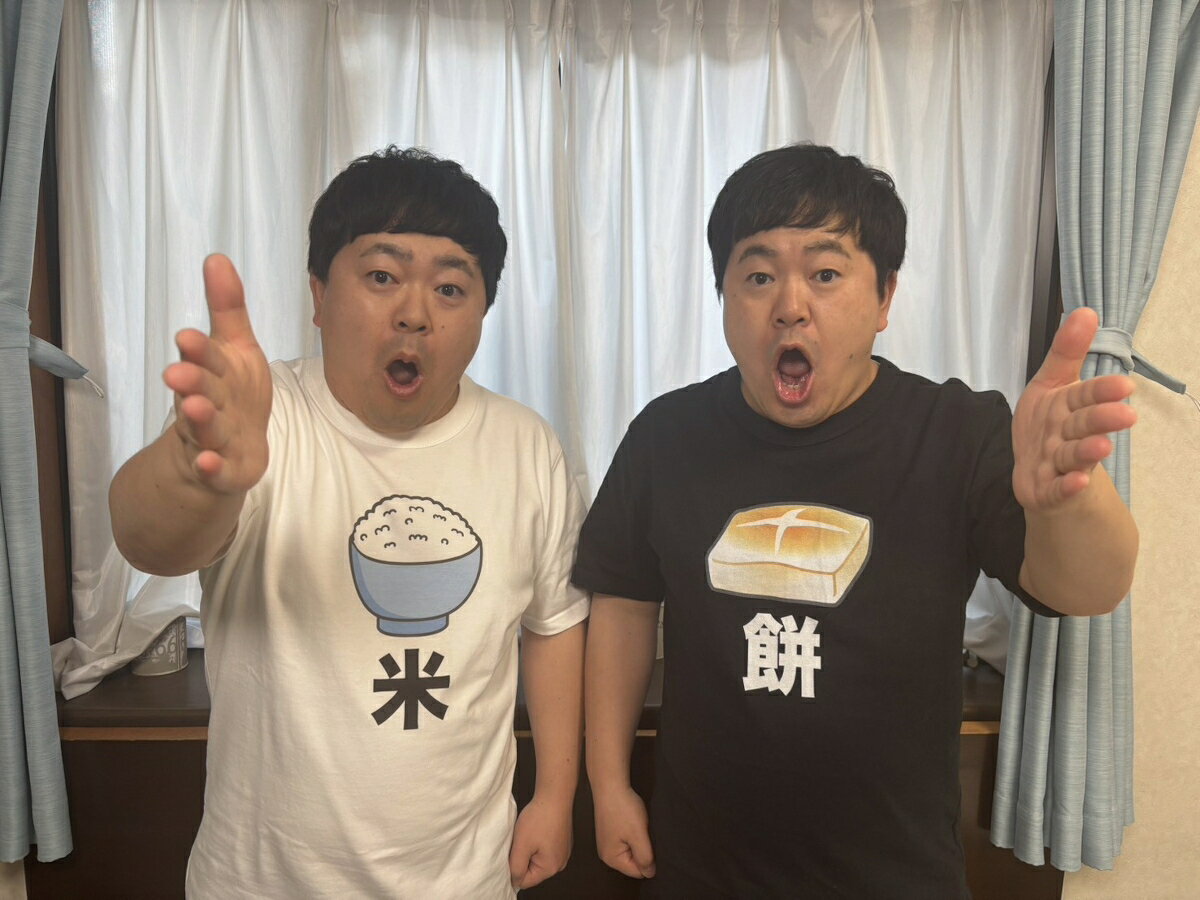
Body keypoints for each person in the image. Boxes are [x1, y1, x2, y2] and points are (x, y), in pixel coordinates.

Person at [573, 143, 1138, 898]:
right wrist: (609, 785)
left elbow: (1086, 589)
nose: (790, 305)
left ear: (884, 299)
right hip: (702, 870)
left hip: (896, 875)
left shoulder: (956, 430)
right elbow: (623, 603)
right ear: (724, 296)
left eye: (826, 274)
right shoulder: (665, 436)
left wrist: (1068, 500)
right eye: (758, 276)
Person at [109, 147, 588, 898]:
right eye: (382, 276)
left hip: (464, 879)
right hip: (260, 883)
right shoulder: (267, 419)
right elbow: (148, 540)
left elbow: (553, 623)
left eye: (451, 288)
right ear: (318, 295)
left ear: (482, 314)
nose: (415, 313)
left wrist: (555, 796)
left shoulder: (527, 446)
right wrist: (195, 470)